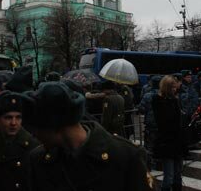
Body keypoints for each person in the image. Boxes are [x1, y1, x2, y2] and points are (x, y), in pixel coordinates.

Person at [24, 81, 153, 191]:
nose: (34, 134)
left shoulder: (126, 156)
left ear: (54, 125)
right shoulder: (38, 160)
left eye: (36, 128)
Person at [152, 76, 184, 191]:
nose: (175, 90)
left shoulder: (175, 100)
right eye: (173, 87)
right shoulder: (158, 100)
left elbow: (179, 120)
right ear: (167, 88)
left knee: (177, 176)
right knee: (169, 176)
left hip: (177, 142)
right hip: (167, 142)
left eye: (176, 87)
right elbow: (164, 121)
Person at [138, 75, 162, 168]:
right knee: (160, 144)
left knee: (149, 145)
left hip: (151, 123)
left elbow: (142, 108)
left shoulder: (148, 95)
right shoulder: (165, 94)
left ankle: (148, 165)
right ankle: (159, 164)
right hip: (163, 123)